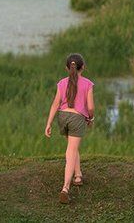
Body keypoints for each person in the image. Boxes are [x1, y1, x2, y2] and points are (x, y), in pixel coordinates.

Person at [44, 53, 95, 203]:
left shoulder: (61, 83)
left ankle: (78, 175)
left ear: (67, 68)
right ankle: (65, 188)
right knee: (71, 150)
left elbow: (55, 104)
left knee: (72, 147)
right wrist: (90, 118)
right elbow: (91, 107)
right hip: (77, 118)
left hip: (62, 117)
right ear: (83, 67)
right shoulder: (88, 84)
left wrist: (48, 123)